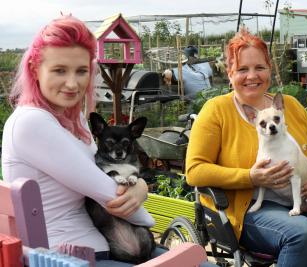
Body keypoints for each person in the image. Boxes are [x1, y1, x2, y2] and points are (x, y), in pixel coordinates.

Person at [1, 15, 217, 267]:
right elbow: (112, 197)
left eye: (82, 71)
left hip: (105, 245)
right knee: (196, 261)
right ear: (35, 70)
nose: (72, 83)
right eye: (59, 70)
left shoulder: (74, 120)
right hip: (68, 257)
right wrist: (142, 190)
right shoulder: (32, 123)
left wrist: (138, 189)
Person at [185, 28, 307, 267]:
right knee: (301, 233)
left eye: (259, 67)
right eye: (242, 69)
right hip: (248, 208)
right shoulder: (216, 111)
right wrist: (251, 177)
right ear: (229, 73)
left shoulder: (289, 106)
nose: (252, 76)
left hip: (302, 197)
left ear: (270, 69)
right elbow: (195, 171)